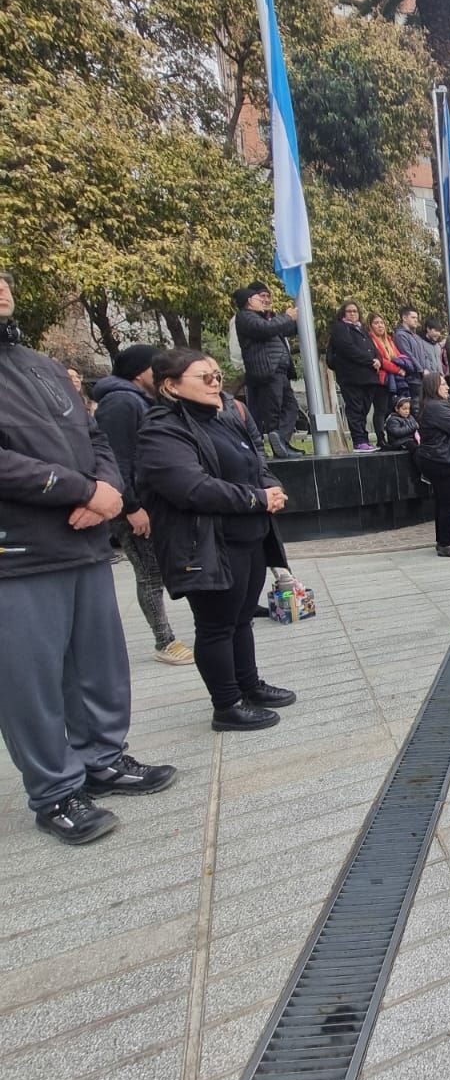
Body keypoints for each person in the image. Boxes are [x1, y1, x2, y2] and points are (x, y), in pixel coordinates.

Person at [0, 271, 175, 844]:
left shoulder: (41, 364)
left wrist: (106, 492)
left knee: (100, 663)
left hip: (84, 542)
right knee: (31, 680)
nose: (3, 285)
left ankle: (103, 758)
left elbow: (96, 438)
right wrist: (79, 490)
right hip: (19, 552)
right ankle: (55, 792)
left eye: (5, 276)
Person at [136, 349, 297, 732]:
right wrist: (256, 498)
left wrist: (271, 488)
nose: (215, 383)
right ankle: (226, 705)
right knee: (216, 626)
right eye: (203, 377)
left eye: (217, 376)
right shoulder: (162, 428)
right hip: (206, 543)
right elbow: (189, 487)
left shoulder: (225, 418)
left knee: (242, 619)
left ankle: (249, 685)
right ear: (171, 386)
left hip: (249, 536)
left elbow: (257, 463)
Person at [93, 344, 193, 666]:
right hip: (134, 508)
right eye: (156, 368)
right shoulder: (121, 403)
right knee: (150, 575)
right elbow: (116, 461)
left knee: (159, 570)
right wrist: (132, 507)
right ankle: (164, 640)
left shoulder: (138, 400)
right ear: (140, 372)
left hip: (150, 503)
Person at [233, 281, 302, 459]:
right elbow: (266, 329)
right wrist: (287, 317)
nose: (264, 301)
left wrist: (297, 319)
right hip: (266, 370)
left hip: (279, 370)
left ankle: (282, 440)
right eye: (260, 297)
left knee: (291, 407)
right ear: (249, 300)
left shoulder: (266, 316)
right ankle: (277, 443)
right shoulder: (245, 317)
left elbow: (286, 328)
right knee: (273, 410)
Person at [416, 370, 450, 557]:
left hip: (437, 459)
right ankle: (447, 543)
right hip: (443, 460)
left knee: (443, 503)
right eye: (442, 384)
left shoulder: (431, 406)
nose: (447, 387)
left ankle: (445, 541)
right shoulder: (436, 407)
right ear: (433, 387)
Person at [328, 300, 386, 451]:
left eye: (355, 311)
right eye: (349, 311)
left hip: (368, 377)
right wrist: (369, 361)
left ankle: (364, 440)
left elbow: (374, 349)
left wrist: (378, 360)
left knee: (364, 409)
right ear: (343, 313)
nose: (353, 314)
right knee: (355, 409)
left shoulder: (362, 330)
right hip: (352, 377)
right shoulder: (340, 328)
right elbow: (348, 349)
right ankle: (359, 441)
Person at [367, 311, 419, 406]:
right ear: (370, 326)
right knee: (382, 410)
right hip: (382, 380)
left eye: (382, 323)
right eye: (376, 323)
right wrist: (398, 370)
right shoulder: (370, 340)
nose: (380, 326)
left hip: (395, 379)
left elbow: (398, 357)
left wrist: (402, 366)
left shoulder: (389, 340)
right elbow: (382, 361)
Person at [393, 305, 428, 404]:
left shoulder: (416, 337)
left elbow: (424, 355)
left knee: (423, 404)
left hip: (421, 377)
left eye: (416, 318)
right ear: (404, 318)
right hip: (411, 377)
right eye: (413, 317)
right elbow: (407, 354)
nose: (416, 320)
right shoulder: (401, 335)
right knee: (415, 405)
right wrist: (421, 370)